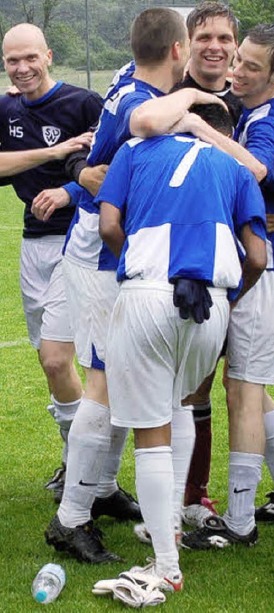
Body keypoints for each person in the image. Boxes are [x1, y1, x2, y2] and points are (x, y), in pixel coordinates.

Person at [42, 7, 220, 564]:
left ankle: (103, 495)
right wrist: (192, 101)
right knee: (102, 381)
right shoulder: (143, 99)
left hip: (108, 251)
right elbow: (140, 129)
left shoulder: (129, 86)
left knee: (124, 382)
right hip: (102, 254)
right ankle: (71, 519)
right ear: (178, 51)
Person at [92, 102, 266, 607]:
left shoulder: (134, 151)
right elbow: (257, 256)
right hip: (210, 303)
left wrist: (143, 269)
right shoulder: (234, 165)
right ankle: (165, 527)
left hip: (148, 294)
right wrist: (227, 299)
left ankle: (166, 567)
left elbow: (107, 227)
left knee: (150, 434)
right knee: (180, 404)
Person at [180, 24, 274, 550]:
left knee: (243, 390)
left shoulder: (267, 120)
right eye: (237, 60)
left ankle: (239, 522)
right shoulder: (273, 105)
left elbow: (256, 166)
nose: (235, 72)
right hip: (266, 255)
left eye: (250, 67)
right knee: (249, 382)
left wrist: (198, 126)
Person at [0, 23, 103, 501]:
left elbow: (113, 168)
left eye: (29, 58)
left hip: (77, 241)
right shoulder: (6, 109)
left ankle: (88, 471)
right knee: (53, 367)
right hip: (32, 244)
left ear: (48, 55)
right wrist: (53, 151)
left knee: (57, 357)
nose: (21, 69)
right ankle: (75, 462)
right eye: (11, 61)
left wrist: (69, 189)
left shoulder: (85, 104)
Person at [170, 1, 242, 528]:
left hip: (236, 264)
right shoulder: (163, 99)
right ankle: (180, 496)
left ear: (235, 45)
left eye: (223, 37)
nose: (214, 45)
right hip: (171, 267)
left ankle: (195, 495)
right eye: (204, 36)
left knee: (226, 383)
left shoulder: (252, 99)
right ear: (187, 42)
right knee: (176, 384)